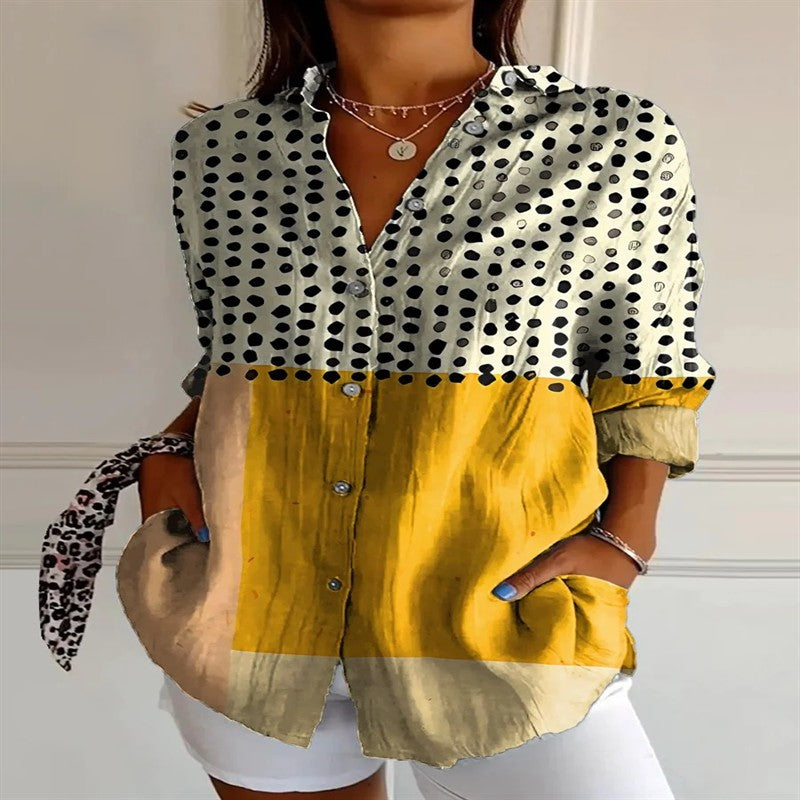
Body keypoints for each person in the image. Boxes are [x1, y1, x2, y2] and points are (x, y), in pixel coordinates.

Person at [128, 1, 716, 798]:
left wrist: (626, 540)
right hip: (251, 618)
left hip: (497, 621)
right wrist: (168, 451)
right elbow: (237, 356)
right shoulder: (222, 151)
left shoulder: (612, 141)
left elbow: (647, 369)